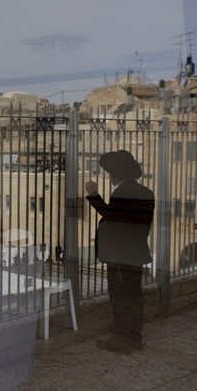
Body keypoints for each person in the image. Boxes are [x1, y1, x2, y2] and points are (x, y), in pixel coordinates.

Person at [85, 150, 154, 355]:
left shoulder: (122, 192)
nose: (108, 175)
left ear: (114, 173)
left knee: (119, 297)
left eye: (109, 172)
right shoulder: (146, 192)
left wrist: (93, 194)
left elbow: (111, 217)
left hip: (119, 255)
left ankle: (120, 339)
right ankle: (134, 337)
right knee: (134, 295)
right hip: (136, 252)